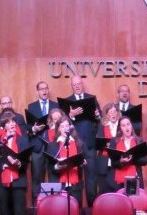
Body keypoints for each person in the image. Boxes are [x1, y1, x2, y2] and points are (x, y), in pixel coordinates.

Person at [65, 75, 100, 206]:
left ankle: (93, 208)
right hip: (74, 147)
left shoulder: (92, 98)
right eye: (75, 84)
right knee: (76, 179)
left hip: (90, 145)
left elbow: (99, 118)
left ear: (82, 84)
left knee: (91, 179)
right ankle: (76, 208)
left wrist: (97, 115)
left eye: (79, 83)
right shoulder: (67, 101)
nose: (78, 86)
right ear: (72, 86)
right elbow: (62, 123)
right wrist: (71, 116)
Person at [0, 112, 31, 215]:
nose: (12, 124)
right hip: (1, 181)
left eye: (13, 121)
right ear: (4, 126)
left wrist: (19, 163)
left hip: (19, 181)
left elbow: (26, 160)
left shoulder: (23, 139)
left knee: (19, 211)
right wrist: (2, 165)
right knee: (3, 211)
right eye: (8, 122)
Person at [26, 81, 59, 206]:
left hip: (53, 147)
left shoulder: (56, 105)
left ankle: (55, 205)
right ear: (37, 91)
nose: (44, 91)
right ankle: (37, 205)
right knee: (37, 179)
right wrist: (34, 129)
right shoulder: (31, 106)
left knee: (54, 176)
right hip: (38, 147)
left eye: (46, 88)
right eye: (41, 89)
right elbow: (28, 128)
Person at [45, 116, 89, 206]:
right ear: (58, 129)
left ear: (70, 127)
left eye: (67, 126)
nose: (65, 128)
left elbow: (83, 159)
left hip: (75, 185)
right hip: (59, 184)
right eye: (62, 126)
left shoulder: (79, 143)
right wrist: (57, 166)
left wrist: (82, 163)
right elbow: (50, 167)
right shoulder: (52, 145)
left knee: (76, 209)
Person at [110, 116, 147, 190]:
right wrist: (121, 161)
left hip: (135, 179)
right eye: (123, 126)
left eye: (128, 124)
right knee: (122, 201)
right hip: (120, 182)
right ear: (120, 128)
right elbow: (113, 163)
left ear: (131, 125)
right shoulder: (114, 142)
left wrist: (132, 158)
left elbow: (144, 161)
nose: (126, 127)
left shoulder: (139, 141)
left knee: (134, 201)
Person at [95, 103, 120, 194]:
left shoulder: (122, 125)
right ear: (107, 114)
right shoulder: (102, 126)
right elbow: (98, 143)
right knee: (104, 192)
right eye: (110, 112)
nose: (113, 114)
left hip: (117, 164)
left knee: (117, 193)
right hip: (104, 163)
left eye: (114, 111)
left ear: (117, 113)